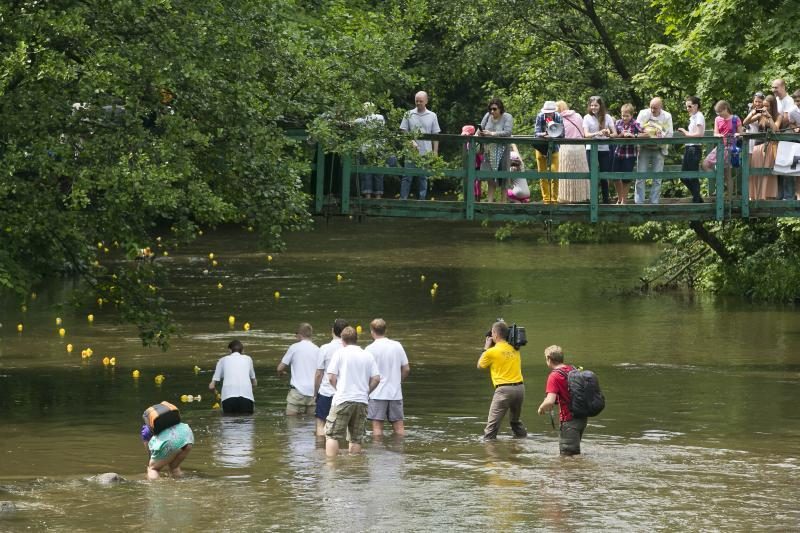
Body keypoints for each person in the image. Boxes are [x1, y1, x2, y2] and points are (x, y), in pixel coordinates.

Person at [324, 326, 381, 457]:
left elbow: (331, 377)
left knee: (332, 435)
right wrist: (366, 391)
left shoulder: (339, 353)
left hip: (343, 399)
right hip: (361, 401)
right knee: (356, 438)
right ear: (357, 339)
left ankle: (331, 468)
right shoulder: (367, 354)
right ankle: (354, 468)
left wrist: (338, 389)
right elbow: (377, 378)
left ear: (342, 340)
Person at [476, 320, 527, 440]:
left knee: (491, 429)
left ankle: (491, 454)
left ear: (495, 334)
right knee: (515, 422)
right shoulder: (515, 348)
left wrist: (486, 347)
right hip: (520, 389)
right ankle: (521, 444)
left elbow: (480, 365)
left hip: (504, 390)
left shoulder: (491, 352)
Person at [536, 345, 587, 456]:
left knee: (567, 457)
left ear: (549, 358)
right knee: (575, 455)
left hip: (569, 420)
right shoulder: (572, 369)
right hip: (582, 418)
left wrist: (541, 408)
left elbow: (549, 401)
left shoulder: (554, 376)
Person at [366, 318, 410, 437]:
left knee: (377, 428)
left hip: (376, 393)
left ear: (372, 331)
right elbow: (406, 369)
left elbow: (366, 374)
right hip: (395, 393)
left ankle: (378, 452)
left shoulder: (369, 349)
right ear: (386, 330)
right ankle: (399, 450)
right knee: (399, 427)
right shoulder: (397, 346)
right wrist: (398, 381)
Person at [399, 91, 441, 200]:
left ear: (426, 101)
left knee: (423, 177)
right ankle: (403, 200)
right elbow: (403, 131)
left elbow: (435, 134)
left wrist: (435, 152)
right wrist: (411, 141)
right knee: (407, 177)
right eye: (416, 101)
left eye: (421, 101)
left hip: (426, 151)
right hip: (410, 152)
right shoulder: (408, 114)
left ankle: (422, 201)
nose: (418, 103)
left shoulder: (432, 115)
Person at [701, 100, 744, 198]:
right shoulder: (717, 119)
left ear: (725, 109)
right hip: (720, 147)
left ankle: (729, 198)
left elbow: (741, 134)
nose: (719, 114)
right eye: (717, 113)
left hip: (731, 148)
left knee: (727, 173)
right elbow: (715, 133)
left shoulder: (735, 119)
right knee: (705, 164)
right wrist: (718, 135)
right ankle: (719, 182)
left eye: (720, 112)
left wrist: (738, 135)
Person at [635, 97, 673, 204]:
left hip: (659, 148)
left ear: (661, 107)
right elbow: (636, 129)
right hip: (644, 148)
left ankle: (654, 202)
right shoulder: (643, 113)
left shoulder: (667, 116)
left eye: (655, 108)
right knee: (640, 176)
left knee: (657, 177)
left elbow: (670, 133)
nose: (652, 110)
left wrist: (660, 135)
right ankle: (639, 202)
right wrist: (646, 134)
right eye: (651, 107)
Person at [314, 318, 348, 437]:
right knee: (343, 427)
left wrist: (315, 393)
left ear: (332, 330)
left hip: (326, 392)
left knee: (320, 425)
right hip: (344, 393)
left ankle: (320, 450)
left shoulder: (324, 348)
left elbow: (319, 374)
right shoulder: (349, 349)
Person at [277, 322, 320, 416]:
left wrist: (281, 373)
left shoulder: (294, 347)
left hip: (297, 391)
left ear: (299, 335)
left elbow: (280, 368)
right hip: (313, 391)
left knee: (291, 422)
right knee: (311, 424)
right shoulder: (317, 349)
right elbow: (320, 372)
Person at [478, 98, 514, 203]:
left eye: (494, 109)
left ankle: (503, 202)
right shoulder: (487, 116)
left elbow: (508, 132)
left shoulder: (507, 117)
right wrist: (480, 133)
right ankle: (490, 202)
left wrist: (492, 133)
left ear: (500, 108)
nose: (492, 111)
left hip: (503, 149)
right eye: (490, 109)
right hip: (489, 149)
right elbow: (480, 128)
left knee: (503, 175)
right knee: (490, 176)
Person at [744, 92, 779, 200]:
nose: (764, 107)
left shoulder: (777, 116)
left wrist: (769, 117)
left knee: (766, 172)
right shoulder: (760, 115)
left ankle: (764, 196)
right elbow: (745, 122)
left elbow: (776, 130)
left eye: (767, 106)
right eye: (763, 105)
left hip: (769, 145)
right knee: (756, 171)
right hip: (757, 145)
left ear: (772, 106)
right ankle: (755, 195)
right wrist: (754, 112)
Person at [583, 96, 617, 204]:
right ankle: (593, 199)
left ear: (600, 106)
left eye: (596, 105)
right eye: (591, 105)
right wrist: (597, 133)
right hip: (591, 148)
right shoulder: (587, 117)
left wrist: (608, 133)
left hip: (604, 148)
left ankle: (605, 199)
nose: (593, 107)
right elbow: (586, 134)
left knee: (604, 174)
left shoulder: (607, 117)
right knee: (592, 174)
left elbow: (615, 133)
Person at [140, 410, 193, 480]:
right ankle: (181, 484)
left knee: (153, 469)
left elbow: (151, 454)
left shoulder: (146, 430)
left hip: (170, 442)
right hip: (187, 436)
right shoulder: (175, 423)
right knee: (174, 467)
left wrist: (152, 464)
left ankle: (155, 488)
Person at [209, 339, 257, 414]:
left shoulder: (222, 360)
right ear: (242, 350)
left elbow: (211, 386)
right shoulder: (248, 359)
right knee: (247, 423)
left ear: (230, 350)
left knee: (229, 423)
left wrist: (217, 394)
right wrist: (250, 392)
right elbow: (254, 383)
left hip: (228, 398)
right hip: (247, 398)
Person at [556, 100, 590, 203]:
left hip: (566, 147)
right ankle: (581, 197)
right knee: (580, 172)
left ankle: (566, 197)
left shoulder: (558, 118)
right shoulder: (578, 115)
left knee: (567, 173)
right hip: (580, 148)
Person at [611, 103, 644, 204]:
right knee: (615, 176)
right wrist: (621, 135)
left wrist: (633, 135)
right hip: (618, 152)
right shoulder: (618, 123)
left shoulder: (635, 124)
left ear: (631, 115)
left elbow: (645, 134)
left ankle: (624, 200)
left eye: (627, 116)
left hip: (629, 154)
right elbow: (614, 135)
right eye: (623, 115)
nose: (624, 118)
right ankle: (620, 197)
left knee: (626, 178)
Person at [354, 102, 386, 199]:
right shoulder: (380, 118)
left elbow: (351, 125)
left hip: (365, 149)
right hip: (379, 148)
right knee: (379, 172)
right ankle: (378, 195)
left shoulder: (359, 120)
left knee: (366, 172)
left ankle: (367, 195)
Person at [677, 96, 705, 203]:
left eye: (690, 106)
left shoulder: (699, 116)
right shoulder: (693, 117)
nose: (688, 108)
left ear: (696, 106)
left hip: (694, 148)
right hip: (689, 147)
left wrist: (685, 132)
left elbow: (699, 134)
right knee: (684, 176)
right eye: (686, 107)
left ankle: (697, 199)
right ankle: (697, 198)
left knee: (692, 176)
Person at [534, 100, 563, 204]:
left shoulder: (558, 117)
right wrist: (544, 134)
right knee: (542, 174)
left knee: (555, 174)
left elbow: (562, 134)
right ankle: (546, 200)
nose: (548, 114)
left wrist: (553, 133)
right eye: (547, 112)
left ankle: (554, 200)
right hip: (541, 147)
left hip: (554, 148)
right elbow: (536, 133)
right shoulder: (540, 116)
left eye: (550, 112)